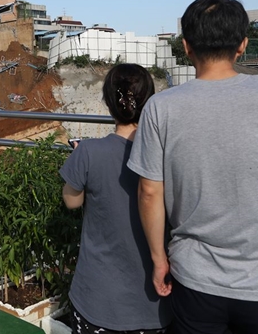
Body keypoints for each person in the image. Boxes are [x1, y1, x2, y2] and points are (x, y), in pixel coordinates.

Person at [128, 0, 258, 334]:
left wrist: (159, 259)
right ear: (244, 45)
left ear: (186, 46)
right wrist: (233, 55)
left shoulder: (161, 108)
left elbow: (149, 192)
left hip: (195, 279)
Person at [60, 63, 171, 334]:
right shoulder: (166, 155)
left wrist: (80, 164)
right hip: (156, 306)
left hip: (97, 302)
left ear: (109, 103)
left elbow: (71, 201)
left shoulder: (88, 152)